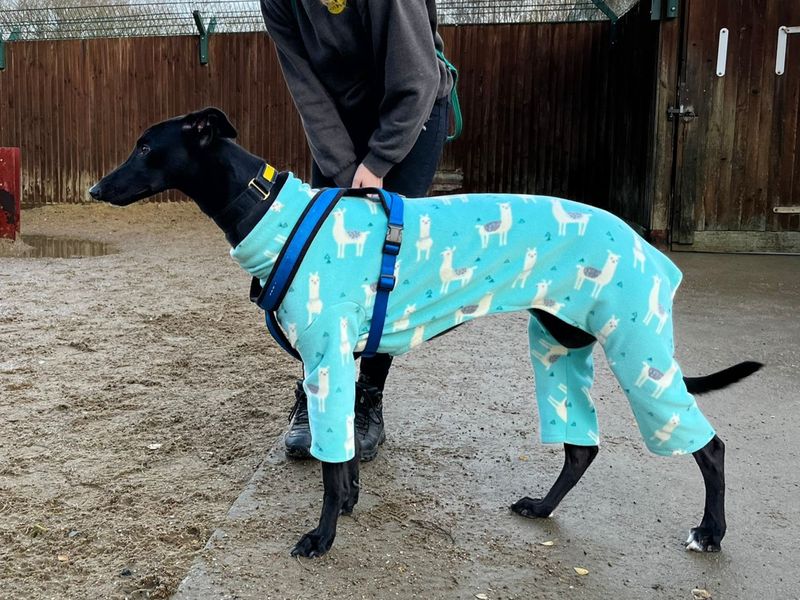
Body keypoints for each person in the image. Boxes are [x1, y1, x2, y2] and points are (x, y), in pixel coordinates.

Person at [260, 0, 456, 461]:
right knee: (323, 263)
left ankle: (367, 396)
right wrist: (345, 168)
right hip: (341, 124)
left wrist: (380, 160)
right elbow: (306, 89)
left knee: (382, 260)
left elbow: (417, 78)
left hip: (413, 108)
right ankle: (320, 390)